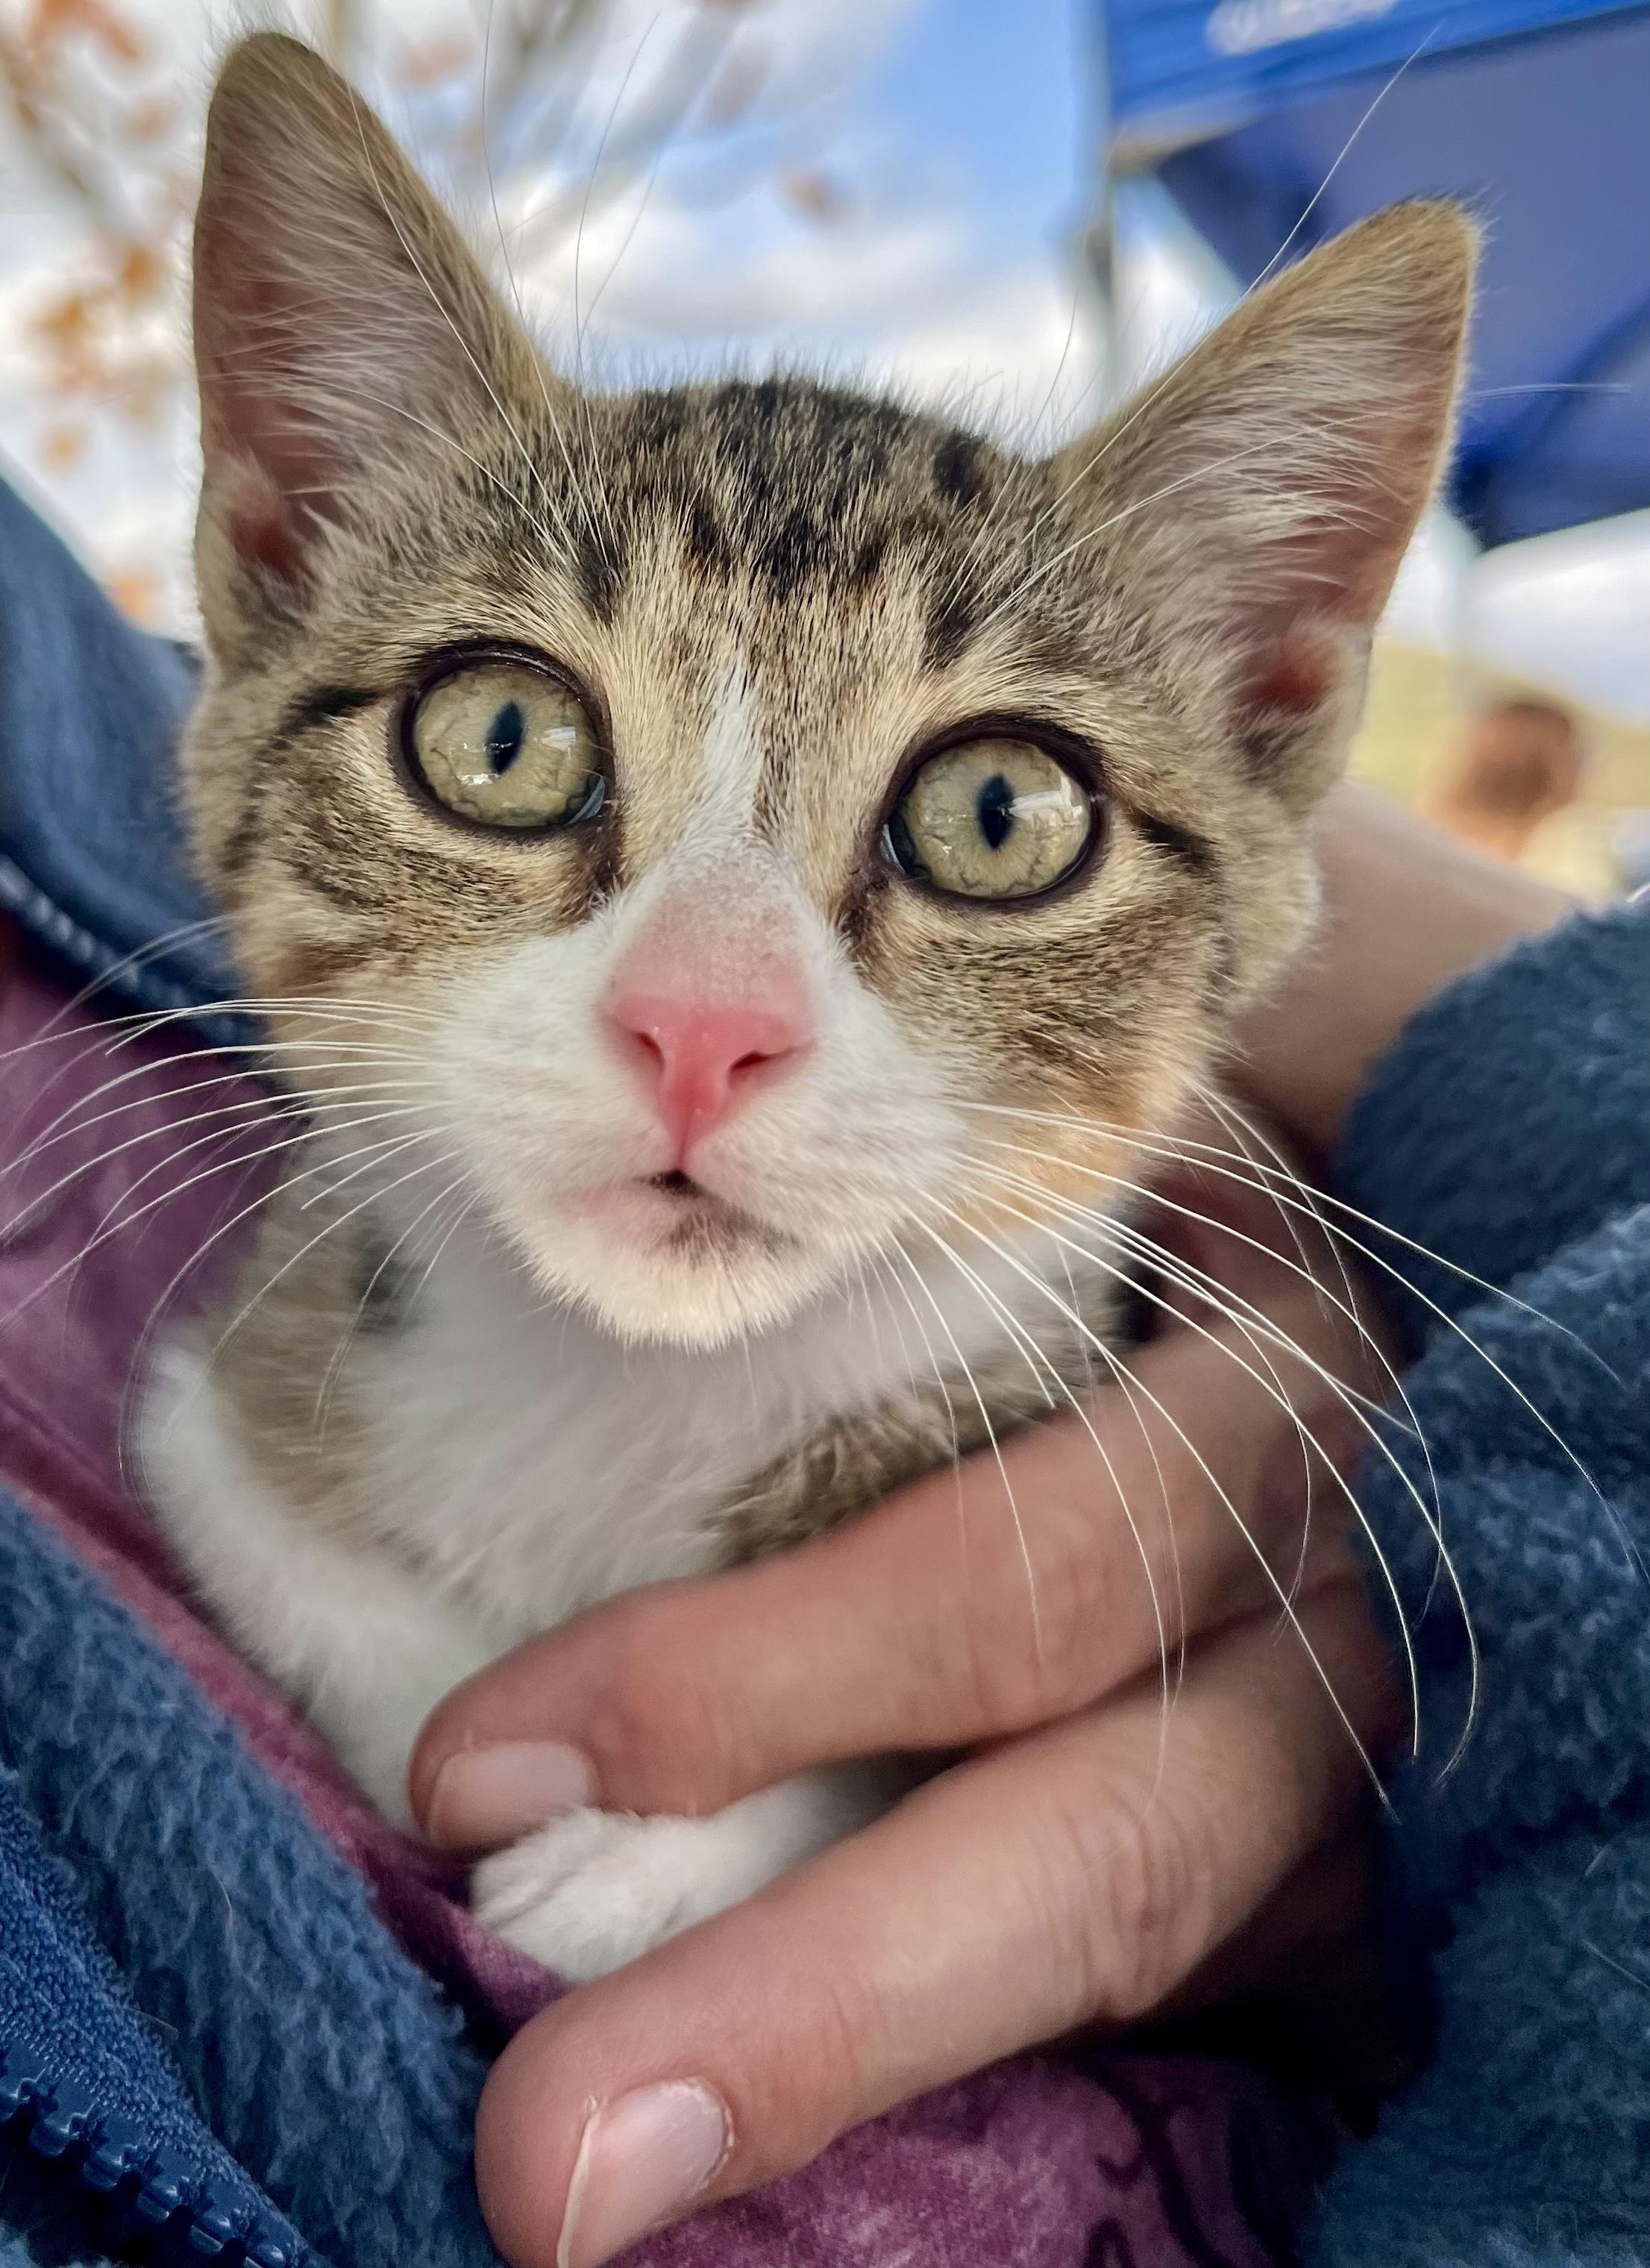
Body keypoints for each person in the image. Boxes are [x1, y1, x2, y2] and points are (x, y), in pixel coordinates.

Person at [1, 473, 1646, 2268]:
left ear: (1263, 696)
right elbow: (205, 1431)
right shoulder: (294, 1312)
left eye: (987, 815)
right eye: (506, 743)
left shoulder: (1138, 1395)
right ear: (277, 559)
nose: (706, 1020)